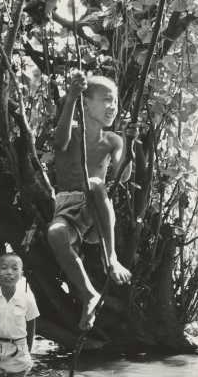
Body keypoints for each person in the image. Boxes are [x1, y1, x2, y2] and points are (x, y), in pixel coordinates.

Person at [48, 72, 136, 330]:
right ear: (87, 103)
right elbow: (59, 142)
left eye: (115, 102)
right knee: (55, 233)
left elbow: (123, 175)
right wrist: (72, 97)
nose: (113, 107)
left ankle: (111, 258)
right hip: (66, 206)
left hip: (95, 210)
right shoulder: (71, 130)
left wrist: (129, 142)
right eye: (106, 100)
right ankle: (89, 293)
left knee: (96, 183)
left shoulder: (112, 139)